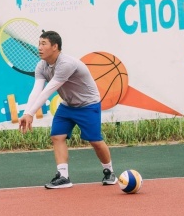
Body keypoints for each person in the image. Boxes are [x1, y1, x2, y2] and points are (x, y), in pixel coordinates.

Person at [18, 30, 118, 189]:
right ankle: (63, 176)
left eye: (43, 44)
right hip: (67, 105)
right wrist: (26, 113)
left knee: (95, 141)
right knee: (57, 136)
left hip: (88, 105)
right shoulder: (41, 66)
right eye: (39, 44)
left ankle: (109, 172)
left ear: (55, 47)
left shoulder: (66, 64)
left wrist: (31, 113)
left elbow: (49, 90)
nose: (39, 47)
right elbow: (36, 90)